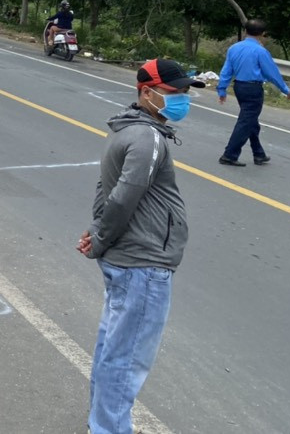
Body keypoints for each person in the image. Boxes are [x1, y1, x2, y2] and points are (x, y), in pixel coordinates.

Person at [77, 58, 197, 434]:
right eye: (174, 93)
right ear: (147, 92)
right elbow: (124, 196)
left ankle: (102, 421)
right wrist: (98, 238)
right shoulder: (147, 138)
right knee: (127, 358)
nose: (182, 99)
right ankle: (109, 428)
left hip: (129, 259)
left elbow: (105, 191)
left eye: (185, 92)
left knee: (113, 349)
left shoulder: (127, 130)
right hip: (143, 262)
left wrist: (97, 231)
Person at [216, 18, 290, 166]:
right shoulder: (260, 51)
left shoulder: (234, 48)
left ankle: (259, 154)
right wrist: (285, 89)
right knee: (246, 121)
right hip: (253, 88)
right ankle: (229, 154)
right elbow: (272, 73)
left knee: (250, 120)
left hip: (239, 87)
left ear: (245, 31)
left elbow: (226, 71)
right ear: (263, 34)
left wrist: (222, 89)